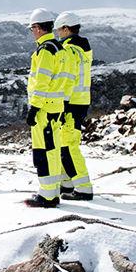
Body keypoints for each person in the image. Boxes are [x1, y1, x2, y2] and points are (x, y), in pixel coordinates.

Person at [24, 9, 70, 208]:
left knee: (43, 152)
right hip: (56, 106)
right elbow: (68, 79)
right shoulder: (61, 49)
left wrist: (34, 108)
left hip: (44, 109)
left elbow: (41, 82)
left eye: (32, 28)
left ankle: (47, 195)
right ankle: (52, 192)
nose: (32, 32)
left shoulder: (45, 51)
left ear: (38, 28)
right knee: (53, 149)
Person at [54, 12, 94, 201]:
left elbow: (67, 79)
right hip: (81, 100)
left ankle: (83, 187)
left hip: (70, 103)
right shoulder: (84, 48)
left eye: (59, 30)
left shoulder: (69, 50)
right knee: (65, 143)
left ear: (66, 28)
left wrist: (61, 102)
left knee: (68, 146)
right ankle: (68, 183)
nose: (57, 34)